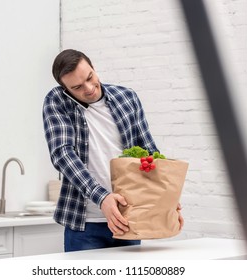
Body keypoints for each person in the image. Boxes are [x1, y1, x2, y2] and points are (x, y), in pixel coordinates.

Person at [42, 49, 183, 252]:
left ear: (93, 68)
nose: (89, 88)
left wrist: (166, 200)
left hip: (129, 218)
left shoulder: (126, 98)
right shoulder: (57, 102)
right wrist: (103, 197)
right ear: (65, 89)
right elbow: (63, 154)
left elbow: (149, 152)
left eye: (90, 77)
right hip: (85, 224)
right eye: (77, 87)